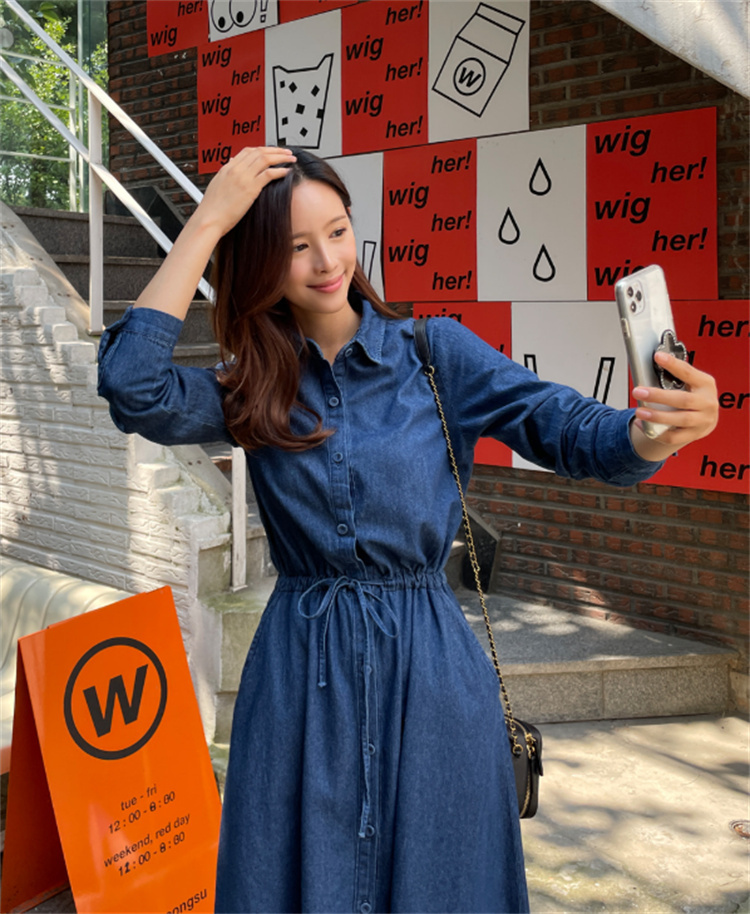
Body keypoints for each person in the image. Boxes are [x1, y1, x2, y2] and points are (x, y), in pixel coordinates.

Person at [97, 146, 719, 914]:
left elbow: (564, 427)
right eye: (296, 246)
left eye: (337, 231)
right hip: (300, 682)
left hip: (431, 680)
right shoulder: (253, 381)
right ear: (260, 259)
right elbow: (133, 385)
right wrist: (208, 222)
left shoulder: (434, 355)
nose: (328, 261)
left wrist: (653, 434)